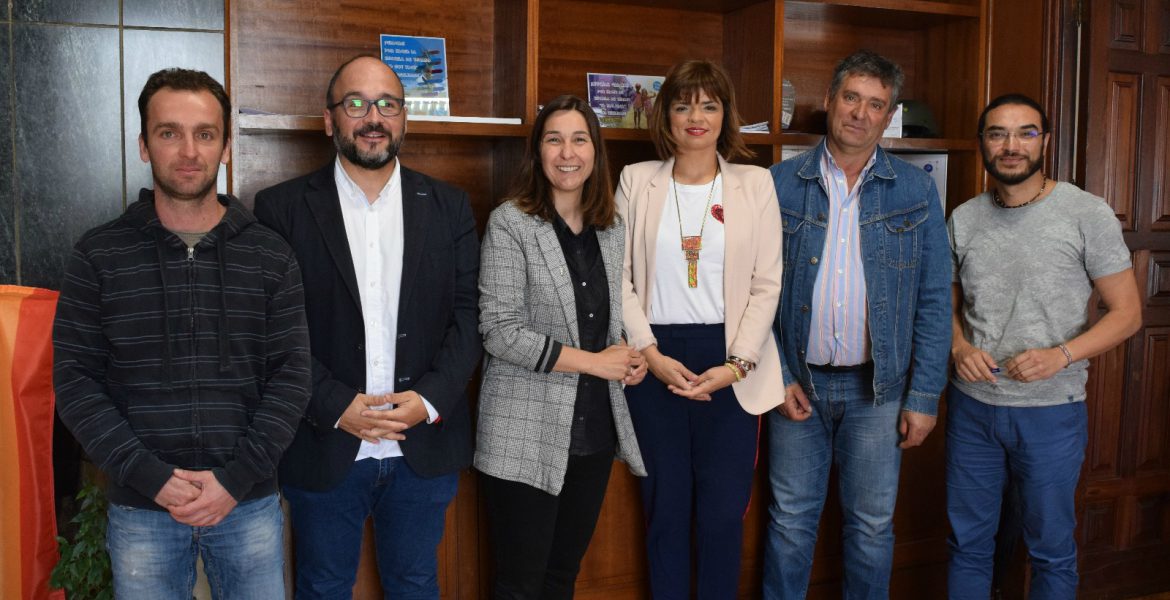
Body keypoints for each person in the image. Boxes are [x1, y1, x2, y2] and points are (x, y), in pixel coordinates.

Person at [52, 68, 310, 599]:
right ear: (144, 145)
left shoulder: (270, 255)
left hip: (246, 503)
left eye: (205, 134)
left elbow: (292, 376)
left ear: (226, 146)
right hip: (142, 508)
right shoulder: (99, 255)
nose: (189, 151)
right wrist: (149, 476)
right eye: (169, 132)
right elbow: (76, 382)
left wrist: (236, 478)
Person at [252, 55, 481, 598]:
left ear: (404, 119)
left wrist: (428, 400)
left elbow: (470, 317)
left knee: (416, 584)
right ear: (329, 119)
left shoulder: (449, 206)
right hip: (325, 440)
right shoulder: (281, 209)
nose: (373, 117)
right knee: (323, 586)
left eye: (387, 104)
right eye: (355, 103)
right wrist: (335, 404)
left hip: (421, 445)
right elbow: (271, 329)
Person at [764, 50, 952, 599]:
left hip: (879, 391)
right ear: (829, 100)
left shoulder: (915, 190)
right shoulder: (777, 183)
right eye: (851, 98)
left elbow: (934, 299)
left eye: (875, 104)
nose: (860, 114)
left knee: (871, 529)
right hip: (796, 384)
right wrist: (776, 376)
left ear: (888, 116)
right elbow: (751, 293)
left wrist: (924, 396)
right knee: (789, 523)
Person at [947, 93, 1141, 599]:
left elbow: (1127, 313)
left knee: (1051, 550)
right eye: (998, 134)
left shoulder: (1085, 213)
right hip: (973, 409)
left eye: (1025, 133)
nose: (1011, 145)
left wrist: (1062, 355)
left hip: (1051, 412)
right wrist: (959, 346)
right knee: (967, 545)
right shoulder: (964, 218)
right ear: (983, 143)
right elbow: (943, 304)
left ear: (1045, 142)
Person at [617, 59, 784, 599]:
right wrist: (650, 353)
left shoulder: (755, 183)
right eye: (683, 106)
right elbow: (618, 277)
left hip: (731, 358)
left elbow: (767, 284)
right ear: (665, 116)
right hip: (655, 359)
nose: (696, 117)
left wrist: (736, 365)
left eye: (709, 106)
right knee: (664, 510)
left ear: (725, 115)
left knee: (721, 514)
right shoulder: (636, 180)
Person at [475, 94, 648, 599]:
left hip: (592, 432)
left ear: (595, 151)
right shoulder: (511, 222)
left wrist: (626, 357)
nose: (567, 152)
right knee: (520, 584)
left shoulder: (611, 228)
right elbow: (500, 331)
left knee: (561, 578)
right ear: (537, 151)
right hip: (523, 431)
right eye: (554, 139)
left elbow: (599, 322)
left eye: (579, 139)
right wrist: (596, 362)